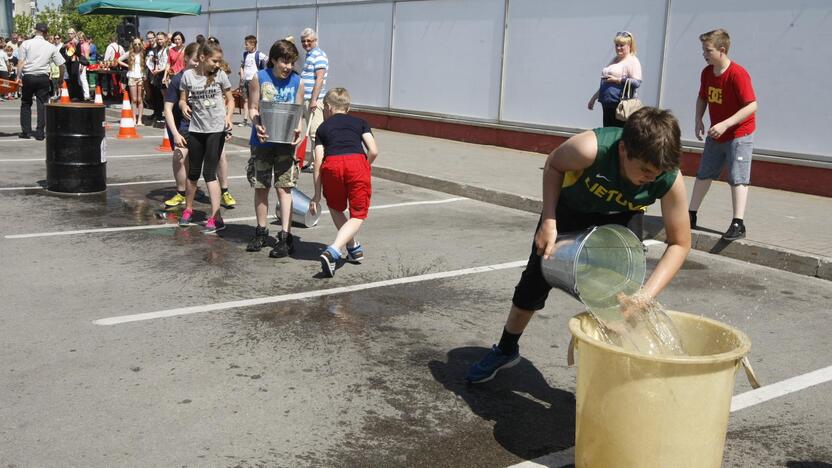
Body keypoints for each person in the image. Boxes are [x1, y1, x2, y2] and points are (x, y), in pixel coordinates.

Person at [465, 107, 691, 384]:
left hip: (621, 217)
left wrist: (645, 296)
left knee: (619, 299)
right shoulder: (590, 149)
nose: (651, 178)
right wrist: (549, 219)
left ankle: (610, 377)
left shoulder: (668, 179)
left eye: (658, 173)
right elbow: (553, 164)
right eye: (645, 170)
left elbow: (680, 243)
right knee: (533, 283)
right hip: (571, 209)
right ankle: (506, 348)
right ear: (623, 149)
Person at [688, 29, 757, 241]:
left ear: (722, 50)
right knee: (704, 173)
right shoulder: (707, 72)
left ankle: (738, 223)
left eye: (707, 50)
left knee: (738, 178)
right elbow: (702, 97)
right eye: (703, 50)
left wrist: (726, 124)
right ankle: (690, 215)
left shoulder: (737, 74)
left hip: (739, 134)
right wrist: (699, 119)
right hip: (716, 133)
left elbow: (752, 105)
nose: (704, 54)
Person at [244, 38, 305, 257]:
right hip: (262, 141)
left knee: (284, 188)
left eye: (291, 62)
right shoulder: (259, 78)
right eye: (284, 62)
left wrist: (299, 129)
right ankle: (261, 232)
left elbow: (299, 113)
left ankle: (286, 237)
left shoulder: (298, 82)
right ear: (273, 60)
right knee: (261, 186)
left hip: (285, 144)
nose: (288, 67)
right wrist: (257, 124)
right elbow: (252, 107)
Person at [310, 88, 379, 277]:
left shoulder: (322, 129)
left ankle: (354, 249)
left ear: (329, 107)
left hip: (331, 165)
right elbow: (373, 150)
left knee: (335, 207)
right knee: (357, 215)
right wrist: (364, 166)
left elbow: (318, 162)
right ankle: (334, 250)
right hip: (357, 162)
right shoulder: (360, 122)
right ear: (347, 108)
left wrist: (316, 195)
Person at [178, 41, 235, 234]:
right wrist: (183, 105)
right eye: (215, 61)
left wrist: (228, 118)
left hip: (215, 130)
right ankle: (188, 209)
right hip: (196, 129)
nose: (217, 64)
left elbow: (231, 99)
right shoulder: (188, 76)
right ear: (202, 58)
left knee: (209, 172)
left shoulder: (220, 76)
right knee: (193, 172)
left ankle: (216, 216)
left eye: (219, 61)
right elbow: (182, 99)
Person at [163, 42, 200, 208]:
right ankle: (181, 193)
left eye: (201, 59)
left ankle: (223, 191)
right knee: (179, 156)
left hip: (204, 127)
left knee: (219, 157)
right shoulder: (177, 80)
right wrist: (175, 134)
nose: (198, 63)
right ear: (186, 59)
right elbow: (168, 109)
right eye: (195, 60)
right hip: (182, 126)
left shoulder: (207, 78)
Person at [16, 23, 66, 140]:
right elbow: (62, 65)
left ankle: (26, 131)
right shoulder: (51, 46)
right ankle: (40, 132)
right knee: (42, 104)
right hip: (43, 77)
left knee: (26, 103)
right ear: (46, 33)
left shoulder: (26, 43)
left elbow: (21, 62)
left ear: (35, 31)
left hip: (28, 76)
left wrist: (18, 76)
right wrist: (60, 79)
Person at [587, 31, 643, 128]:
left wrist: (617, 80)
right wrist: (594, 98)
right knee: (608, 133)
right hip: (607, 104)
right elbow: (606, 82)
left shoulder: (632, 60)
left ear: (629, 45)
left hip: (620, 105)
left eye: (622, 45)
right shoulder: (615, 59)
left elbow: (637, 83)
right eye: (616, 45)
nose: (618, 48)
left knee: (618, 134)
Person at [300, 28, 328, 170]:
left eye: (309, 41)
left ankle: (319, 164)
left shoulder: (319, 55)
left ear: (315, 41)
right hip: (306, 99)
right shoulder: (309, 55)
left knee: (315, 133)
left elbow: (320, 78)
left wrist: (313, 100)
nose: (306, 43)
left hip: (313, 100)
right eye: (303, 41)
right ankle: (311, 162)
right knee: (311, 131)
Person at [237, 34, 268, 128]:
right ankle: (245, 120)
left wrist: (263, 74)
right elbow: (242, 65)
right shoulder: (245, 54)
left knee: (255, 101)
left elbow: (268, 61)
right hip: (246, 80)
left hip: (254, 81)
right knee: (246, 100)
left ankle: (256, 120)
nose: (245, 46)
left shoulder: (259, 54)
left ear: (253, 45)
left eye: (247, 44)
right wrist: (242, 74)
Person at [118, 38, 145, 125]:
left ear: (141, 44)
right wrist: (128, 65)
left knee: (140, 99)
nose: (137, 46)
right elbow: (118, 60)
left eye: (139, 44)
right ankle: (133, 118)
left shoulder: (143, 53)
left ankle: (140, 119)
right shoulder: (130, 53)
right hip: (132, 77)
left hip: (141, 77)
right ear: (133, 45)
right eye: (135, 44)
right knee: (133, 99)